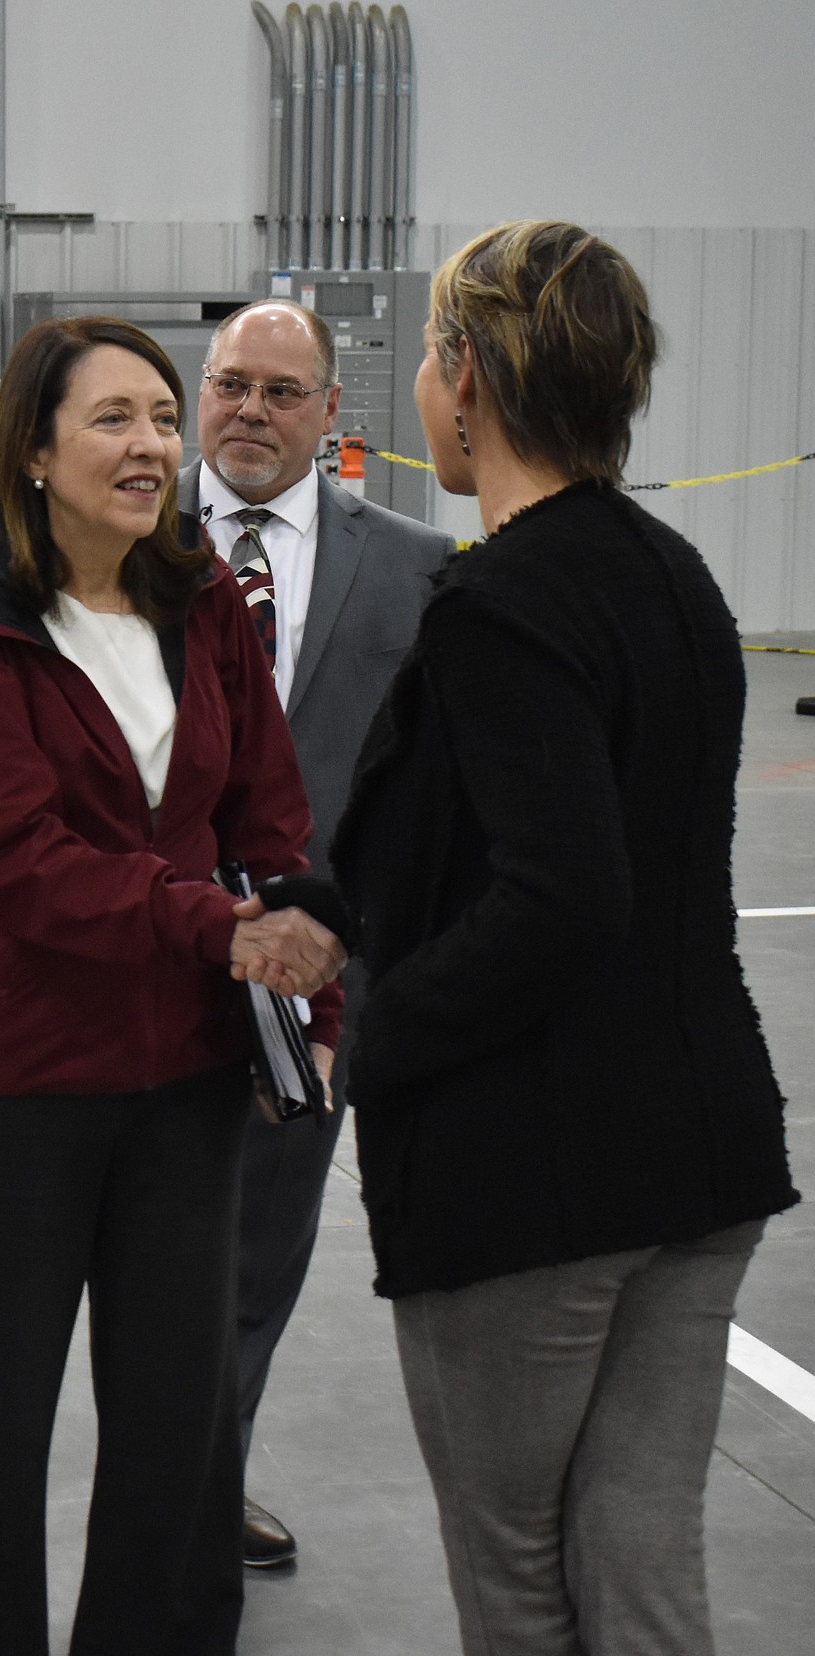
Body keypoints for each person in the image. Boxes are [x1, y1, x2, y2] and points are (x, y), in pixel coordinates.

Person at [325, 221, 800, 1655]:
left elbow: (560, 893)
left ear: (466, 375)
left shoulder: (497, 605)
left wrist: (377, 1032)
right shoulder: (673, 578)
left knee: (516, 1578)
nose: (419, 383)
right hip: (700, 1150)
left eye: (424, 353)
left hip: (533, 1172)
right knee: (645, 1566)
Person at [0, 315, 345, 1656]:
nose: (151, 445)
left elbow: (269, 821)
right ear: (33, 447)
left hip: (183, 1089)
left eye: (160, 416)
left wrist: (304, 1001)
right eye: (113, 419)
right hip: (5, 1089)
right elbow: (22, 862)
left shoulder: (201, 602)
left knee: (177, 1442)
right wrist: (220, 930)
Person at [178, 298, 452, 1565]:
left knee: (260, 1252)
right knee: (123, 1248)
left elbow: (432, 785)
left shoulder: (413, 564)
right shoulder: (116, 534)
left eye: (284, 392)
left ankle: (197, 1486)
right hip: (140, 957)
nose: (251, 410)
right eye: (231, 383)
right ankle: (153, 1484)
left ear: (335, 412)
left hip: (312, 976)